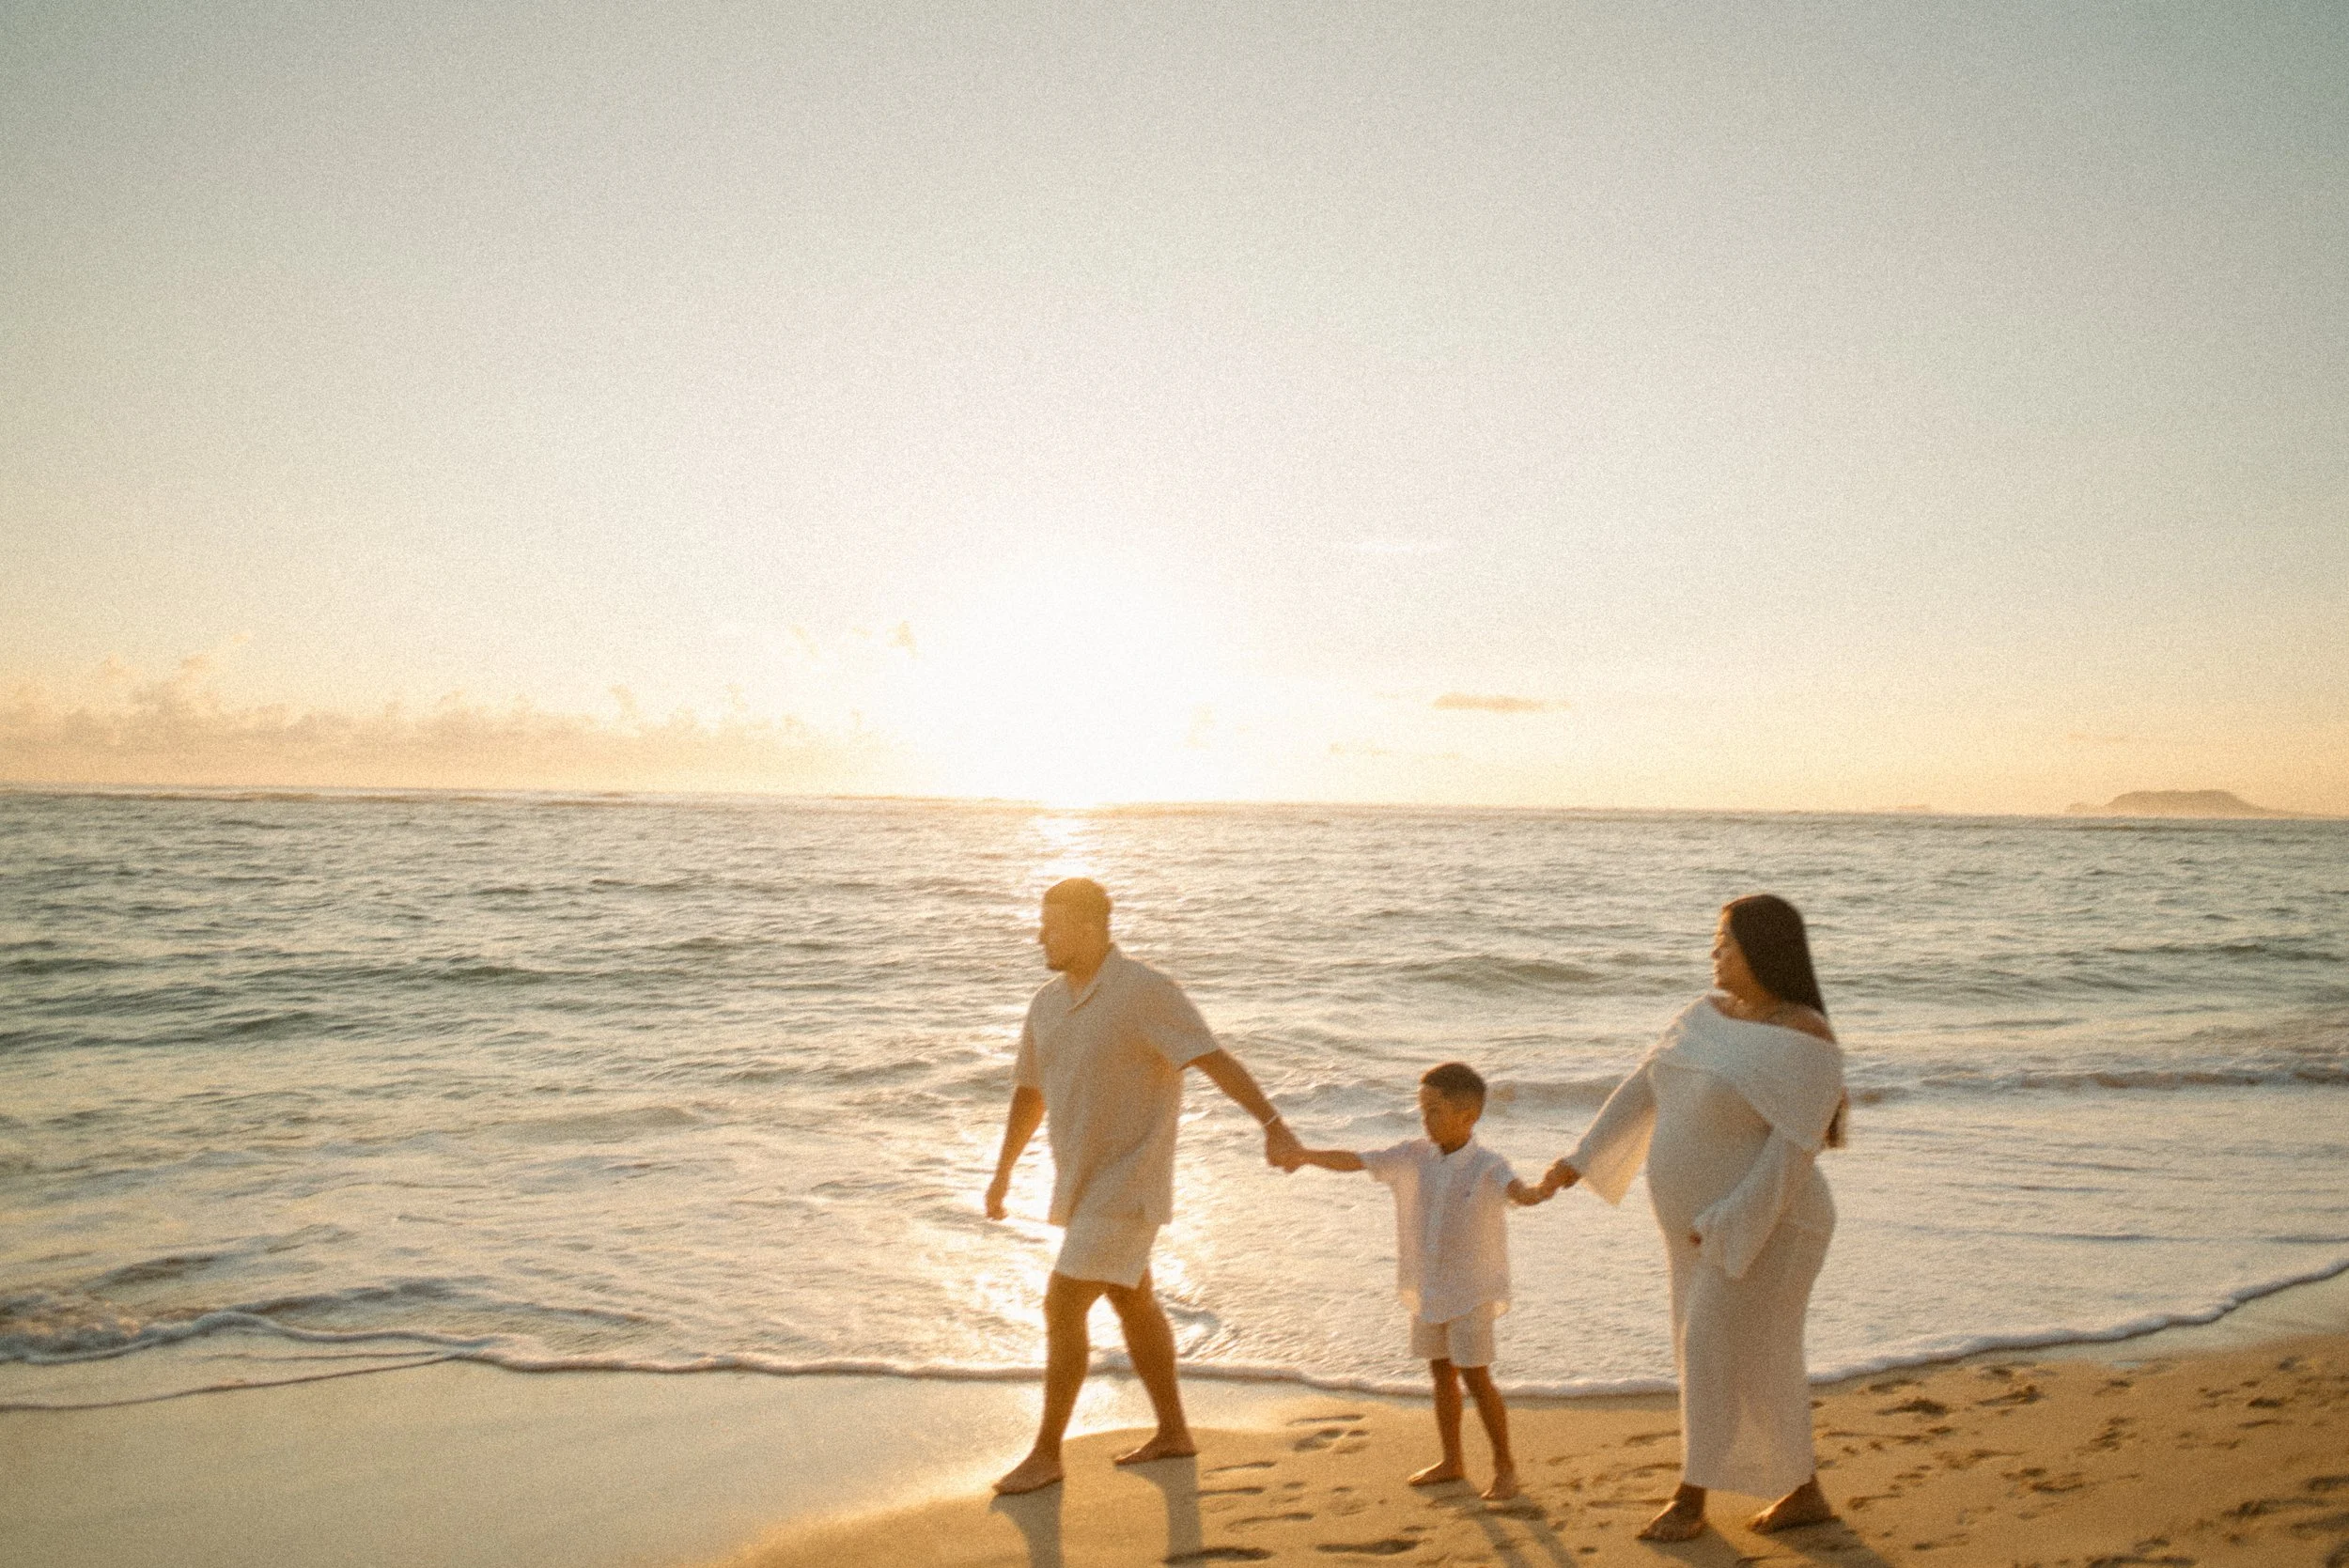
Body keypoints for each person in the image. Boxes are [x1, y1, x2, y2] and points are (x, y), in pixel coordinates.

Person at [1539, 893, 1847, 1541]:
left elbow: (1796, 1152)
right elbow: (1646, 1084)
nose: (1714, 952)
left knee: (1708, 1344)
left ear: (1761, 949)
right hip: (1693, 1227)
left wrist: (1732, 1216)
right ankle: (1805, 1491)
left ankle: (1690, 1499)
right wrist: (1581, 1157)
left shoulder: (1806, 1037)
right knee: (1752, 1354)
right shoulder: (1702, 1016)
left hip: (1776, 1222)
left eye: (1725, 941)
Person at [984, 877, 1304, 1495]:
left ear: (1086, 925)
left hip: (1131, 1181)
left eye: (1049, 923)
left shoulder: (1146, 991)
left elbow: (1212, 1057)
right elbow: (1030, 1091)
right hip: (1079, 1182)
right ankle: (1174, 1433)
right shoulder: (1046, 1003)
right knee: (1135, 1301)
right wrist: (1002, 1172)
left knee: (1063, 1301)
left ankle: (1047, 1452)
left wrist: (1273, 1124)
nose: (1039, 934)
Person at [1283, 1062, 1551, 1501]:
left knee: (1476, 1377)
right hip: (1429, 1288)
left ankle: (1505, 1466)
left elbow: (1517, 1191)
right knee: (1440, 1373)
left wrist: (1538, 1192)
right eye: (1421, 1109)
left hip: (1471, 1292)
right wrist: (1306, 1154)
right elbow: (1357, 1160)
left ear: (1467, 1117)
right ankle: (1452, 1460)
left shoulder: (1487, 1165)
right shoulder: (1413, 1156)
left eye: (1433, 1111)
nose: (1424, 1119)